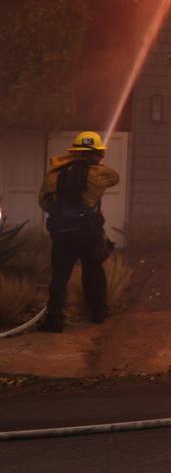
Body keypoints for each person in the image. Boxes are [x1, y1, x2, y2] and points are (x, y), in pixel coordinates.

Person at [37, 131, 120, 332]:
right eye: (99, 154)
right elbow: (114, 177)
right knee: (93, 272)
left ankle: (55, 319)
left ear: (75, 151)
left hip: (62, 232)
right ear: (95, 153)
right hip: (88, 232)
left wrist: (63, 213)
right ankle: (98, 314)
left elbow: (43, 202)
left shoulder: (55, 174)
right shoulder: (98, 173)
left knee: (60, 275)